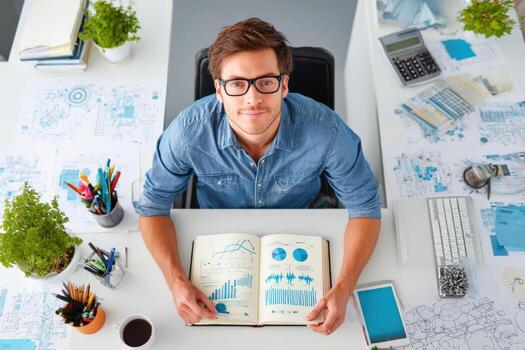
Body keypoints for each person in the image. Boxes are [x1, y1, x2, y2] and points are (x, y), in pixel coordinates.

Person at [135, 17, 381, 335]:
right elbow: (152, 206)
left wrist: (345, 286)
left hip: (300, 225)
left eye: (266, 82)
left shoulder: (328, 132)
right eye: (237, 84)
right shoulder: (186, 133)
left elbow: (366, 208)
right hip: (217, 233)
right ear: (219, 90)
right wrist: (175, 280)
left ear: (285, 84)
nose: (253, 99)